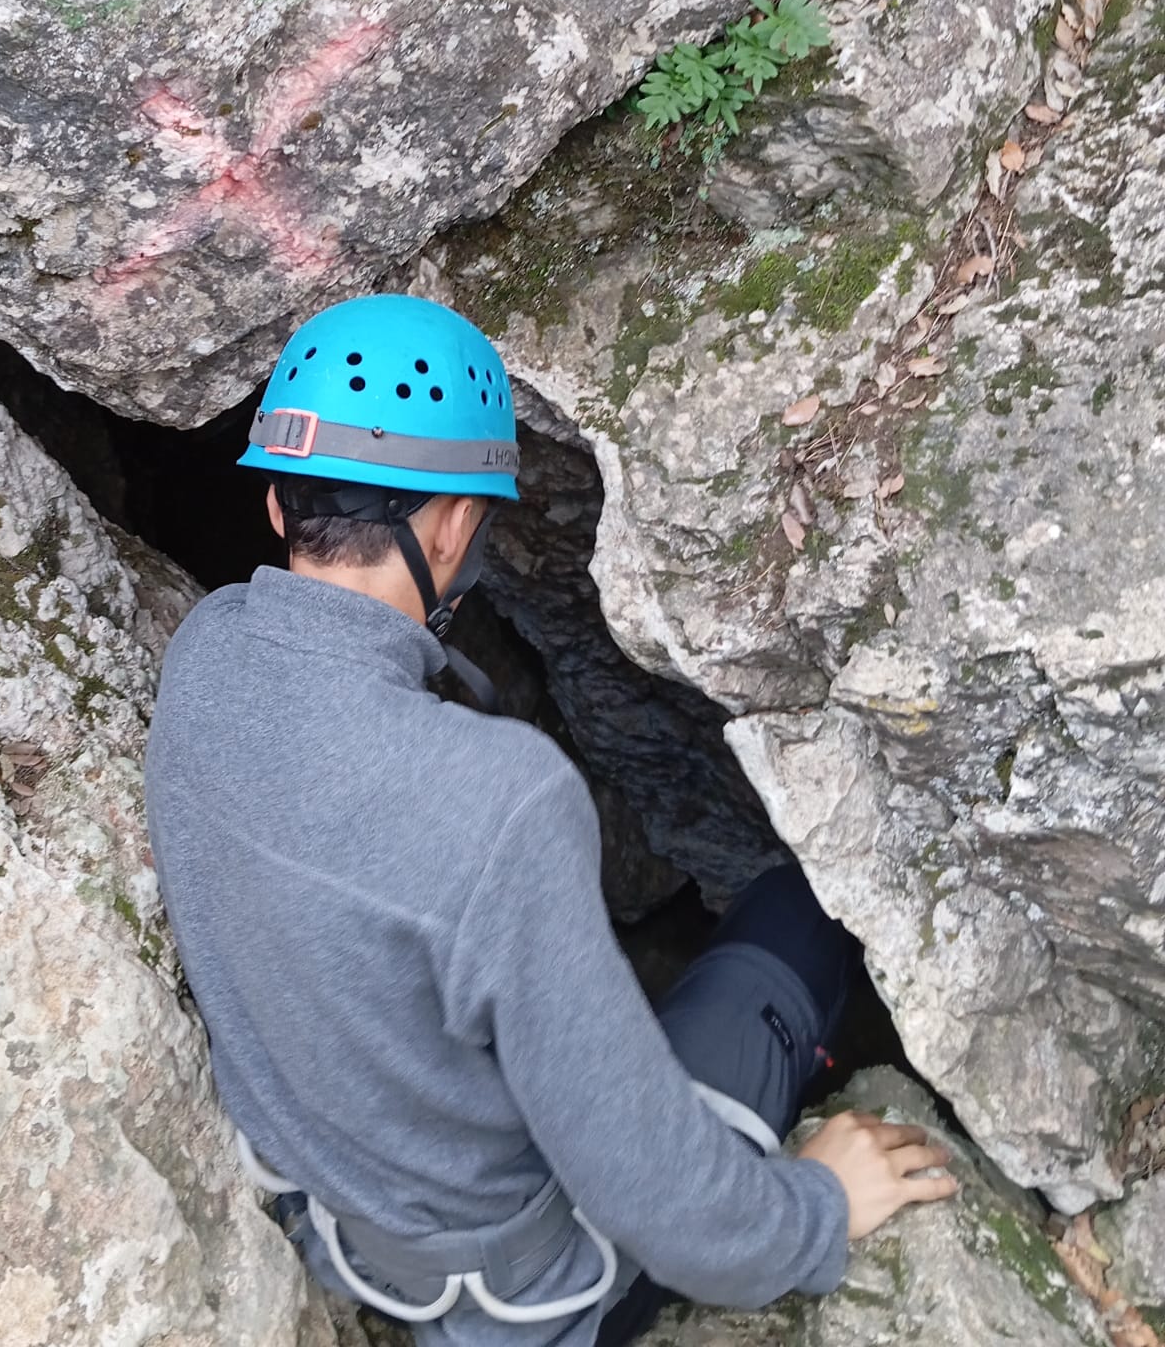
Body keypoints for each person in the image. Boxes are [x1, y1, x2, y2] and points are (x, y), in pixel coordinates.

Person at [144, 294, 956, 1343]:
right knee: (807, 913)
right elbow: (661, 1198)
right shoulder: (499, 798)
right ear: (448, 522)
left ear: (276, 507)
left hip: (342, 1226)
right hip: (526, 1301)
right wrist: (819, 1207)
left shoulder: (207, 654)